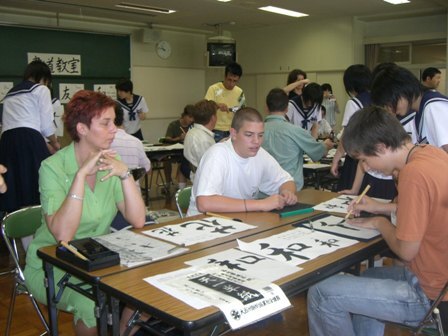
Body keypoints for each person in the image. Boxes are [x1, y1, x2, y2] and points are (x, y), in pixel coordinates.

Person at [307, 106, 448, 336]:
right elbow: (428, 208)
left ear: (381, 147)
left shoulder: (413, 174)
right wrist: (378, 209)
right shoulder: (431, 153)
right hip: (437, 278)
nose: (366, 167)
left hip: (431, 296)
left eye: (364, 159)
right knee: (368, 277)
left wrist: (379, 223)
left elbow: (406, 251)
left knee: (322, 293)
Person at [24, 90, 146, 336]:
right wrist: (80, 176)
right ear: (81, 129)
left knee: (146, 290)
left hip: (96, 260)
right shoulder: (53, 167)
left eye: (114, 121)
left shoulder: (112, 160)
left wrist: (125, 174)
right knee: (91, 302)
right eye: (106, 123)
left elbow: (138, 219)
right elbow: (63, 235)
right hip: (51, 264)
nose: (115, 129)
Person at [187, 107, 297, 216]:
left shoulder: (259, 154)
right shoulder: (217, 155)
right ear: (234, 134)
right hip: (204, 223)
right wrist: (260, 204)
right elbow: (204, 203)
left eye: (260, 135)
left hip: (239, 220)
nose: (256, 141)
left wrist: (287, 192)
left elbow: (286, 181)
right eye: (249, 135)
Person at [0, 60, 60, 213]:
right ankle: (35, 220)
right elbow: (46, 126)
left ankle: (13, 222)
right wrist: (55, 143)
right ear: (43, 77)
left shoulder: (10, 93)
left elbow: (21, 124)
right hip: (29, 139)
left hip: (7, 141)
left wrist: (45, 143)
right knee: (39, 178)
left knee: (14, 183)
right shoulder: (41, 89)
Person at [262, 88, 333, 191]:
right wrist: (326, 145)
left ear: (266, 108)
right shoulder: (296, 131)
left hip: (261, 191)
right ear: (287, 109)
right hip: (289, 192)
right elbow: (317, 152)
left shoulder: (254, 131)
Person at [372, 65, 448, 153]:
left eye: (390, 103)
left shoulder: (433, 107)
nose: (390, 110)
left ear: (401, 91)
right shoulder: (420, 111)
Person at [330, 64, 372, 191]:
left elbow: (347, 135)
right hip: (377, 158)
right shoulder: (379, 98)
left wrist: (336, 159)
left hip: (357, 159)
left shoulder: (354, 103)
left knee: (349, 199)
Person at [110, 102, 151, 188]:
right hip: (133, 192)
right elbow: (147, 168)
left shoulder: (102, 142)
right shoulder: (136, 142)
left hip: (110, 194)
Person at [204, 62, 245, 142]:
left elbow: (243, 110)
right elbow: (205, 108)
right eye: (229, 80)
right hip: (216, 129)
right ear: (225, 76)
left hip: (232, 130)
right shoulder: (213, 89)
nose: (231, 83)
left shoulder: (240, 92)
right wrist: (217, 106)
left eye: (235, 81)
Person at [183, 99, 217, 182]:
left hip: (198, 176)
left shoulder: (192, 132)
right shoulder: (204, 139)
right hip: (206, 180)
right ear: (213, 118)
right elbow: (211, 167)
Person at [163, 105, 194, 189]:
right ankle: (168, 182)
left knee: (186, 161)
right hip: (174, 151)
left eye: (193, 118)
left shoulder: (193, 126)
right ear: (184, 115)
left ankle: (183, 184)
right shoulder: (173, 125)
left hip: (186, 151)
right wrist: (179, 138)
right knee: (166, 161)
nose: (191, 120)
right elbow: (167, 139)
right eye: (189, 117)